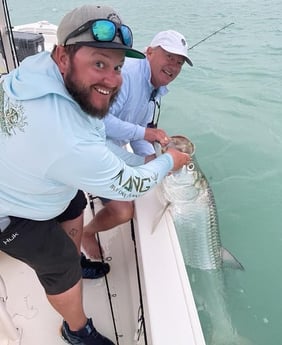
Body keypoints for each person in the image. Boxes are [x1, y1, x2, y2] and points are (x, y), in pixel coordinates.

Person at [0, 4, 190, 345]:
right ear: (62, 56)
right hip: (11, 216)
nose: (113, 79)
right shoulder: (69, 140)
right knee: (61, 267)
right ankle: (76, 329)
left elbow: (94, 146)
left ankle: (75, 257)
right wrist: (170, 162)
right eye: (99, 63)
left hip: (37, 180)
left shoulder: (36, 67)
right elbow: (130, 184)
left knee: (74, 204)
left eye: (117, 66)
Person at [82, 30, 193, 259]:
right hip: (90, 144)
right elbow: (99, 120)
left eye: (179, 62)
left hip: (110, 146)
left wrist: (154, 154)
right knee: (124, 211)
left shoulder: (154, 87)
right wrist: (151, 151)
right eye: (169, 57)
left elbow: (140, 134)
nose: (174, 65)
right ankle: (86, 233)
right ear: (149, 52)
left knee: (146, 172)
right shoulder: (128, 75)